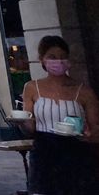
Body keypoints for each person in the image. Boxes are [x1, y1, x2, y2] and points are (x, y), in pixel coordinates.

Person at [21, 36, 99, 194]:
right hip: (44, 152)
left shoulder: (84, 91)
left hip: (76, 152)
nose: (59, 61)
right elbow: (30, 127)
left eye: (63, 57)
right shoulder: (31, 88)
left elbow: (96, 128)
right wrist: (20, 121)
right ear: (42, 60)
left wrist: (89, 135)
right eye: (52, 57)